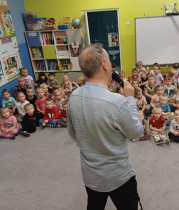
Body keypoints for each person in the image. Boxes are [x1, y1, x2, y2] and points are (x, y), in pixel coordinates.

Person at [67, 43, 143, 210]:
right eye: (108, 60)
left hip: (90, 175)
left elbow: (74, 134)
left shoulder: (73, 97)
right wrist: (130, 99)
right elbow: (137, 132)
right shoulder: (117, 102)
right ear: (104, 64)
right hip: (119, 176)